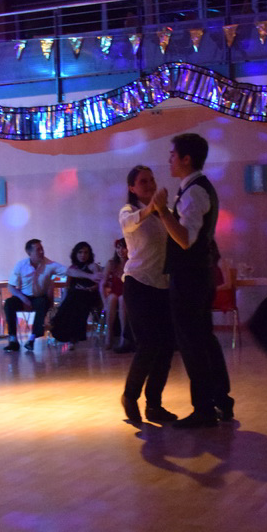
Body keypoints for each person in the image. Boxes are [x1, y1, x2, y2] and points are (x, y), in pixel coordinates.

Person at [149, 133, 233, 428]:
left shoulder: (195, 192)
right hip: (197, 276)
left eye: (173, 155)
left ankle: (204, 408)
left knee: (193, 344)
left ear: (186, 159)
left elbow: (185, 239)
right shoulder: (195, 188)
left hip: (190, 278)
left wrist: (162, 211)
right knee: (204, 340)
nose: (169, 159)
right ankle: (220, 400)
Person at [119, 165, 178, 425]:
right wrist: (152, 207)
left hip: (163, 285)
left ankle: (154, 405)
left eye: (152, 180)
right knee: (149, 344)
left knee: (166, 347)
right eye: (143, 181)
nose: (150, 184)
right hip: (138, 283)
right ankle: (130, 396)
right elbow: (129, 224)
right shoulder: (129, 211)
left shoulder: (164, 212)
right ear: (132, 188)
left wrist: (161, 210)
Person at [3, 238, 67, 352]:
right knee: (9, 303)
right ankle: (13, 340)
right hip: (23, 296)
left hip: (39, 297)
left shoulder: (50, 264)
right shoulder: (21, 265)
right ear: (29, 253)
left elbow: (67, 271)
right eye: (38, 250)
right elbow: (11, 286)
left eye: (42, 249)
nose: (41, 252)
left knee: (41, 302)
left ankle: (32, 339)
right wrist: (23, 298)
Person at [49, 241, 104, 344]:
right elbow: (67, 286)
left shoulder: (93, 266)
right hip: (74, 296)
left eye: (86, 252)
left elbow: (99, 284)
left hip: (90, 296)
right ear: (75, 253)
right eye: (80, 252)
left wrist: (89, 288)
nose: (83, 255)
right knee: (72, 297)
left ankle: (74, 335)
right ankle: (68, 334)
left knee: (77, 296)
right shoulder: (72, 268)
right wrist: (62, 302)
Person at [102, 237, 132, 352]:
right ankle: (109, 335)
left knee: (122, 299)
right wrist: (104, 301)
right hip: (114, 294)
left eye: (124, 248)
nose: (121, 250)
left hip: (127, 294)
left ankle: (124, 338)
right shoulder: (111, 264)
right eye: (118, 248)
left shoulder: (132, 263)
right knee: (112, 297)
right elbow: (102, 284)